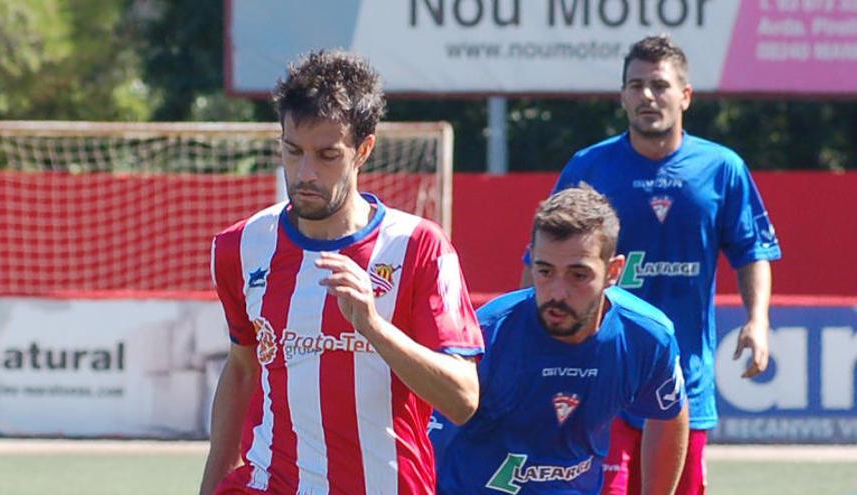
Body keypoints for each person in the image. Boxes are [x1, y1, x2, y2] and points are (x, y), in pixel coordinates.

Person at [199, 50, 484, 495]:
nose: (305, 173)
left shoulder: (418, 247)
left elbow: (464, 399)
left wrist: (373, 326)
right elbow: (241, 370)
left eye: (327, 155)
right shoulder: (240, 247)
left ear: (364, 150)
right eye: (293, 151)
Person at [521, 35, 782, 494]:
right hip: (601, 378)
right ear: (622, 95)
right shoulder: (591, 166)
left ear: (685, 95)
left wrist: (757, 321)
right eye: (635, 85)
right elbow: (541, 262)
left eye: (659, 85)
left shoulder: (722, 168)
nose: (647, 95)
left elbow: (752, 251)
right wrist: (534, 342)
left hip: (686, 377)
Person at [433, 185, 689, 495]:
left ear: (614, 271)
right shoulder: (487, 333)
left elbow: (669, 414)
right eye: (545, 271)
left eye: (578, 275)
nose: (557, 292)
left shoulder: (647, 336)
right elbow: (429, 430)